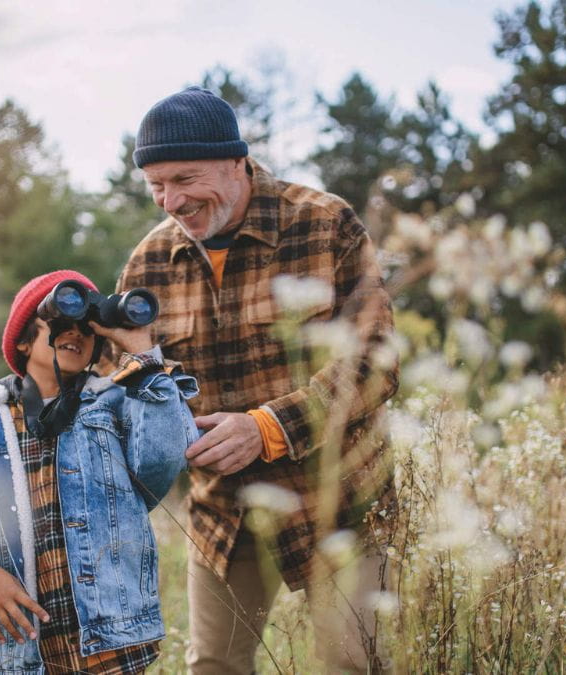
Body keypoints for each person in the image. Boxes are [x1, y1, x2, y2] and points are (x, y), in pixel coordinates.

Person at [117, 87, 399, 673]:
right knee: (212, 668)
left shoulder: (325, 224)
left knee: (352, 664)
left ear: (236, 160)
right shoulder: (147, 264)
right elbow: (128, 386)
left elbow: (375, 361)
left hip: (336, 504)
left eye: (184, 178)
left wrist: (268, 428)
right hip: (221, 514)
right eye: (156, 186)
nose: (171, 200)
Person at [0, 270, 198, 674]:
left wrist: (143, 357)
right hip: (23, 655)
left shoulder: (116, 407)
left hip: (111, 649)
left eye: (88, 328)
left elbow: (165, 456)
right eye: (60, 322)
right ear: (23, 340)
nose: (76, 333)